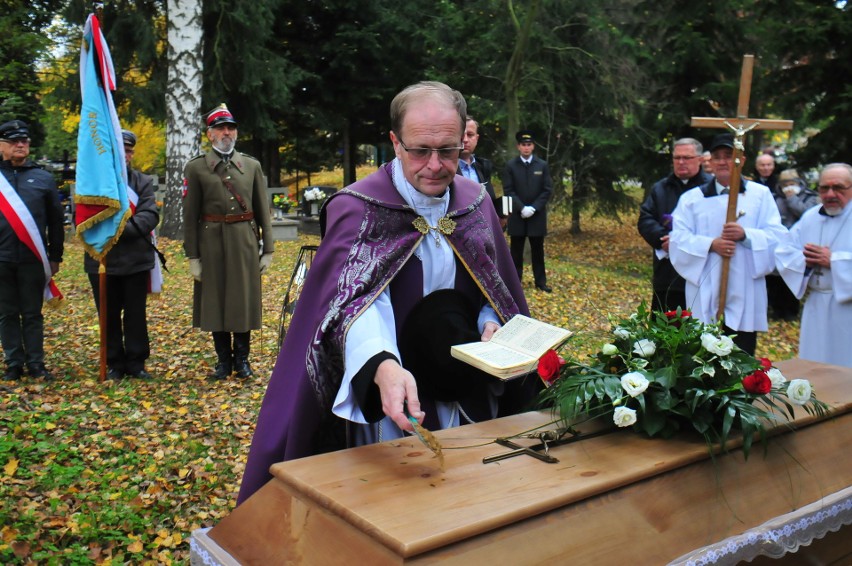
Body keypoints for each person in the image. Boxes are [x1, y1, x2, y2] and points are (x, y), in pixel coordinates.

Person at [238, 81, 533, 504]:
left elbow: (494, 282)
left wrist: (491, 321)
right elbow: (356, 305)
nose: (434, 165)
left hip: (468, 389)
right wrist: (381, 364)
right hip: (392, 397)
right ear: (395, 142)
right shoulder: (358, 208)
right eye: (419, 150)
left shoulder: (475, 202)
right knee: (399, 504)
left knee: (471, 500)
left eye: (448, 151)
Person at [669, 133, 786, 355]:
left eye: (729, 156)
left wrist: (746, 235)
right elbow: (678, 239)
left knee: (741, 353)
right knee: (702, 351)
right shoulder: (692, 199)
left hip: (745, 284)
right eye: (718, 156)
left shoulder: (760, 195)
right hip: (705, 284)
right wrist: (711, 244)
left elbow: (777, 236)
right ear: (709, 162)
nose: (723, 161)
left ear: (741, 160)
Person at [183, 104, 274, 380]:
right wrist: (193, 256)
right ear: (209, 134)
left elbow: (262, 208)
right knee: (216, 301)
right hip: (211, 243)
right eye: (220, 128)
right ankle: (223, 362)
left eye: (231, 128)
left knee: (242, 300)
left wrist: (267, 247)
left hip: (244, 240)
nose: (227, 132)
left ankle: (242, 360)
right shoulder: (196, 168)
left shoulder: (251, 166)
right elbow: (190, 216)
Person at [84, 130, 159, 379]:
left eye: (128, 151)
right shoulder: (93, 185)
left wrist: (115, 231)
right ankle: (114, 362)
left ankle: (136, 362)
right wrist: (109, 233)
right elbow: (86, 219)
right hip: (102, 260)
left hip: (136, 259)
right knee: (108, 314)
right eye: (120, 150)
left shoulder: (142, 182)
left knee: (136, 315)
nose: (125, 155)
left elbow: (149, 216)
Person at [0, 120, 64, 380]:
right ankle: (13, 363)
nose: (20, 145)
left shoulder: (43, 178)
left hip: (33, 259)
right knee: (6, 313)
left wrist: (56, 255)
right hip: (1, 258)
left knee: (32, 313)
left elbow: (55, 221)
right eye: (14, 141)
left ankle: (36, 363)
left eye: (24, 141)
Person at [775, 163, 852, 367]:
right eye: (824, 188)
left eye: (838, 188)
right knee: (816, 364)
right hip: (816, 304)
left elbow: (831, 259)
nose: (830, 194)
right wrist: (804, 260)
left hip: (848, 307)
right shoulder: (811, 217)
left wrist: (834, 260)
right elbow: (784, 251)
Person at [638, 138, 711, 312]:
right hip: (667, 272)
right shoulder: (661, 188)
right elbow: (646, 218)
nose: (681, 162)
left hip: (701, 271)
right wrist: (663, 238)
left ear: (700, 159)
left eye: (687, 157)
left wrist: (681, 243)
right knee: (664, 327)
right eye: (677, 158)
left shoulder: (710, 189)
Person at [502, 130, 554, 292]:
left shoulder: (542, 165)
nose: (526, 147)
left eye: (529, 145)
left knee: (537, 251)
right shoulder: (511, 165)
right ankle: (515, 282)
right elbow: (508, 190)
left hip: (536, 216)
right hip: (517, 215)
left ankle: (540, 282)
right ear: (518, 146)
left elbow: (547, 190)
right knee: (516, 251)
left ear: (533, 147)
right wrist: (522, 207)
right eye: (523, 145)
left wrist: (533, 208)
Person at [766, 168, 819, 320]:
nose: (788, 186)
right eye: (785, 184)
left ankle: (791, 310)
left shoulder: (809, 197)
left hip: (798, 245)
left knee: (793, 275)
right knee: (776, 278)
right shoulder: (774, 198)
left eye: (791, 183)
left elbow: (807, 214)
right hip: (778, 243)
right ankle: (776, 309)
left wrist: (792, 199)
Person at [458, 116, 505, 227]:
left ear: (477, 138)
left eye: (470, 135)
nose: (465, 139)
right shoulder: (444, 169)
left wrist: (500, 218)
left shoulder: (483, 168)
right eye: (461, 134)